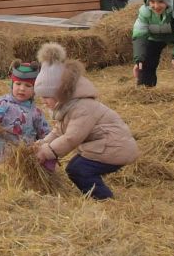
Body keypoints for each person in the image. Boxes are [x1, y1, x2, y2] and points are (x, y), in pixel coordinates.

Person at [33, 44, 137, 200]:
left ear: (61, 94)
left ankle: (103, 199)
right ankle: (95, 194)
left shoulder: (82, 108)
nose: (43, 101)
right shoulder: (68, 106)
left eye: (46, 97)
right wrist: (42, 144)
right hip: (103, 146)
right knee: (76, 167)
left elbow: (71, 138)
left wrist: (46, 152)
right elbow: (59, 131)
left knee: (79, 169)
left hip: (114, 147)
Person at [0, 61, 51, 159]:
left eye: (28, 85)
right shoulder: (3, 104)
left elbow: (45, 133)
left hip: (25, 157)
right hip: (3, 153)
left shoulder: (36, 112)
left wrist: (48, 146)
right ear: (12, 84)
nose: (22, 88)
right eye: (18, 84)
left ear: (35, 89)